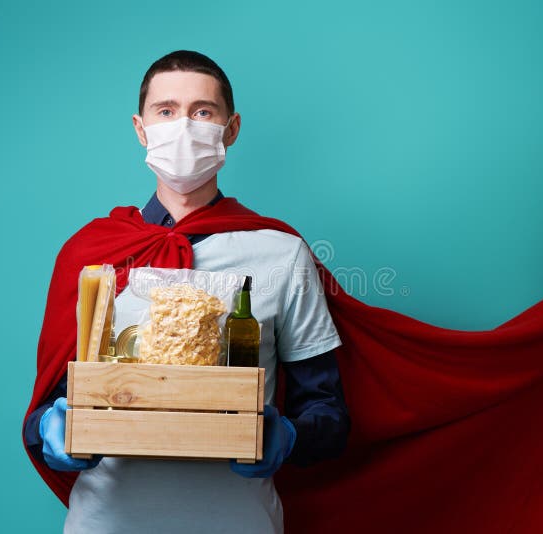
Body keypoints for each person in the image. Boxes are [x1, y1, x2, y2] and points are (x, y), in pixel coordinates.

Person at [23, 50, 350, 533]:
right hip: (108, 522)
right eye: (166, 111)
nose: (183, 126)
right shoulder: (90, 255)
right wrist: (52, 428)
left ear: (230, 129)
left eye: (202, 112)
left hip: (239, 521)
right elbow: (44, 407)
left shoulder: (281, 254)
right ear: (141, 128)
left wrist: (287, 436)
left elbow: (328, 413)